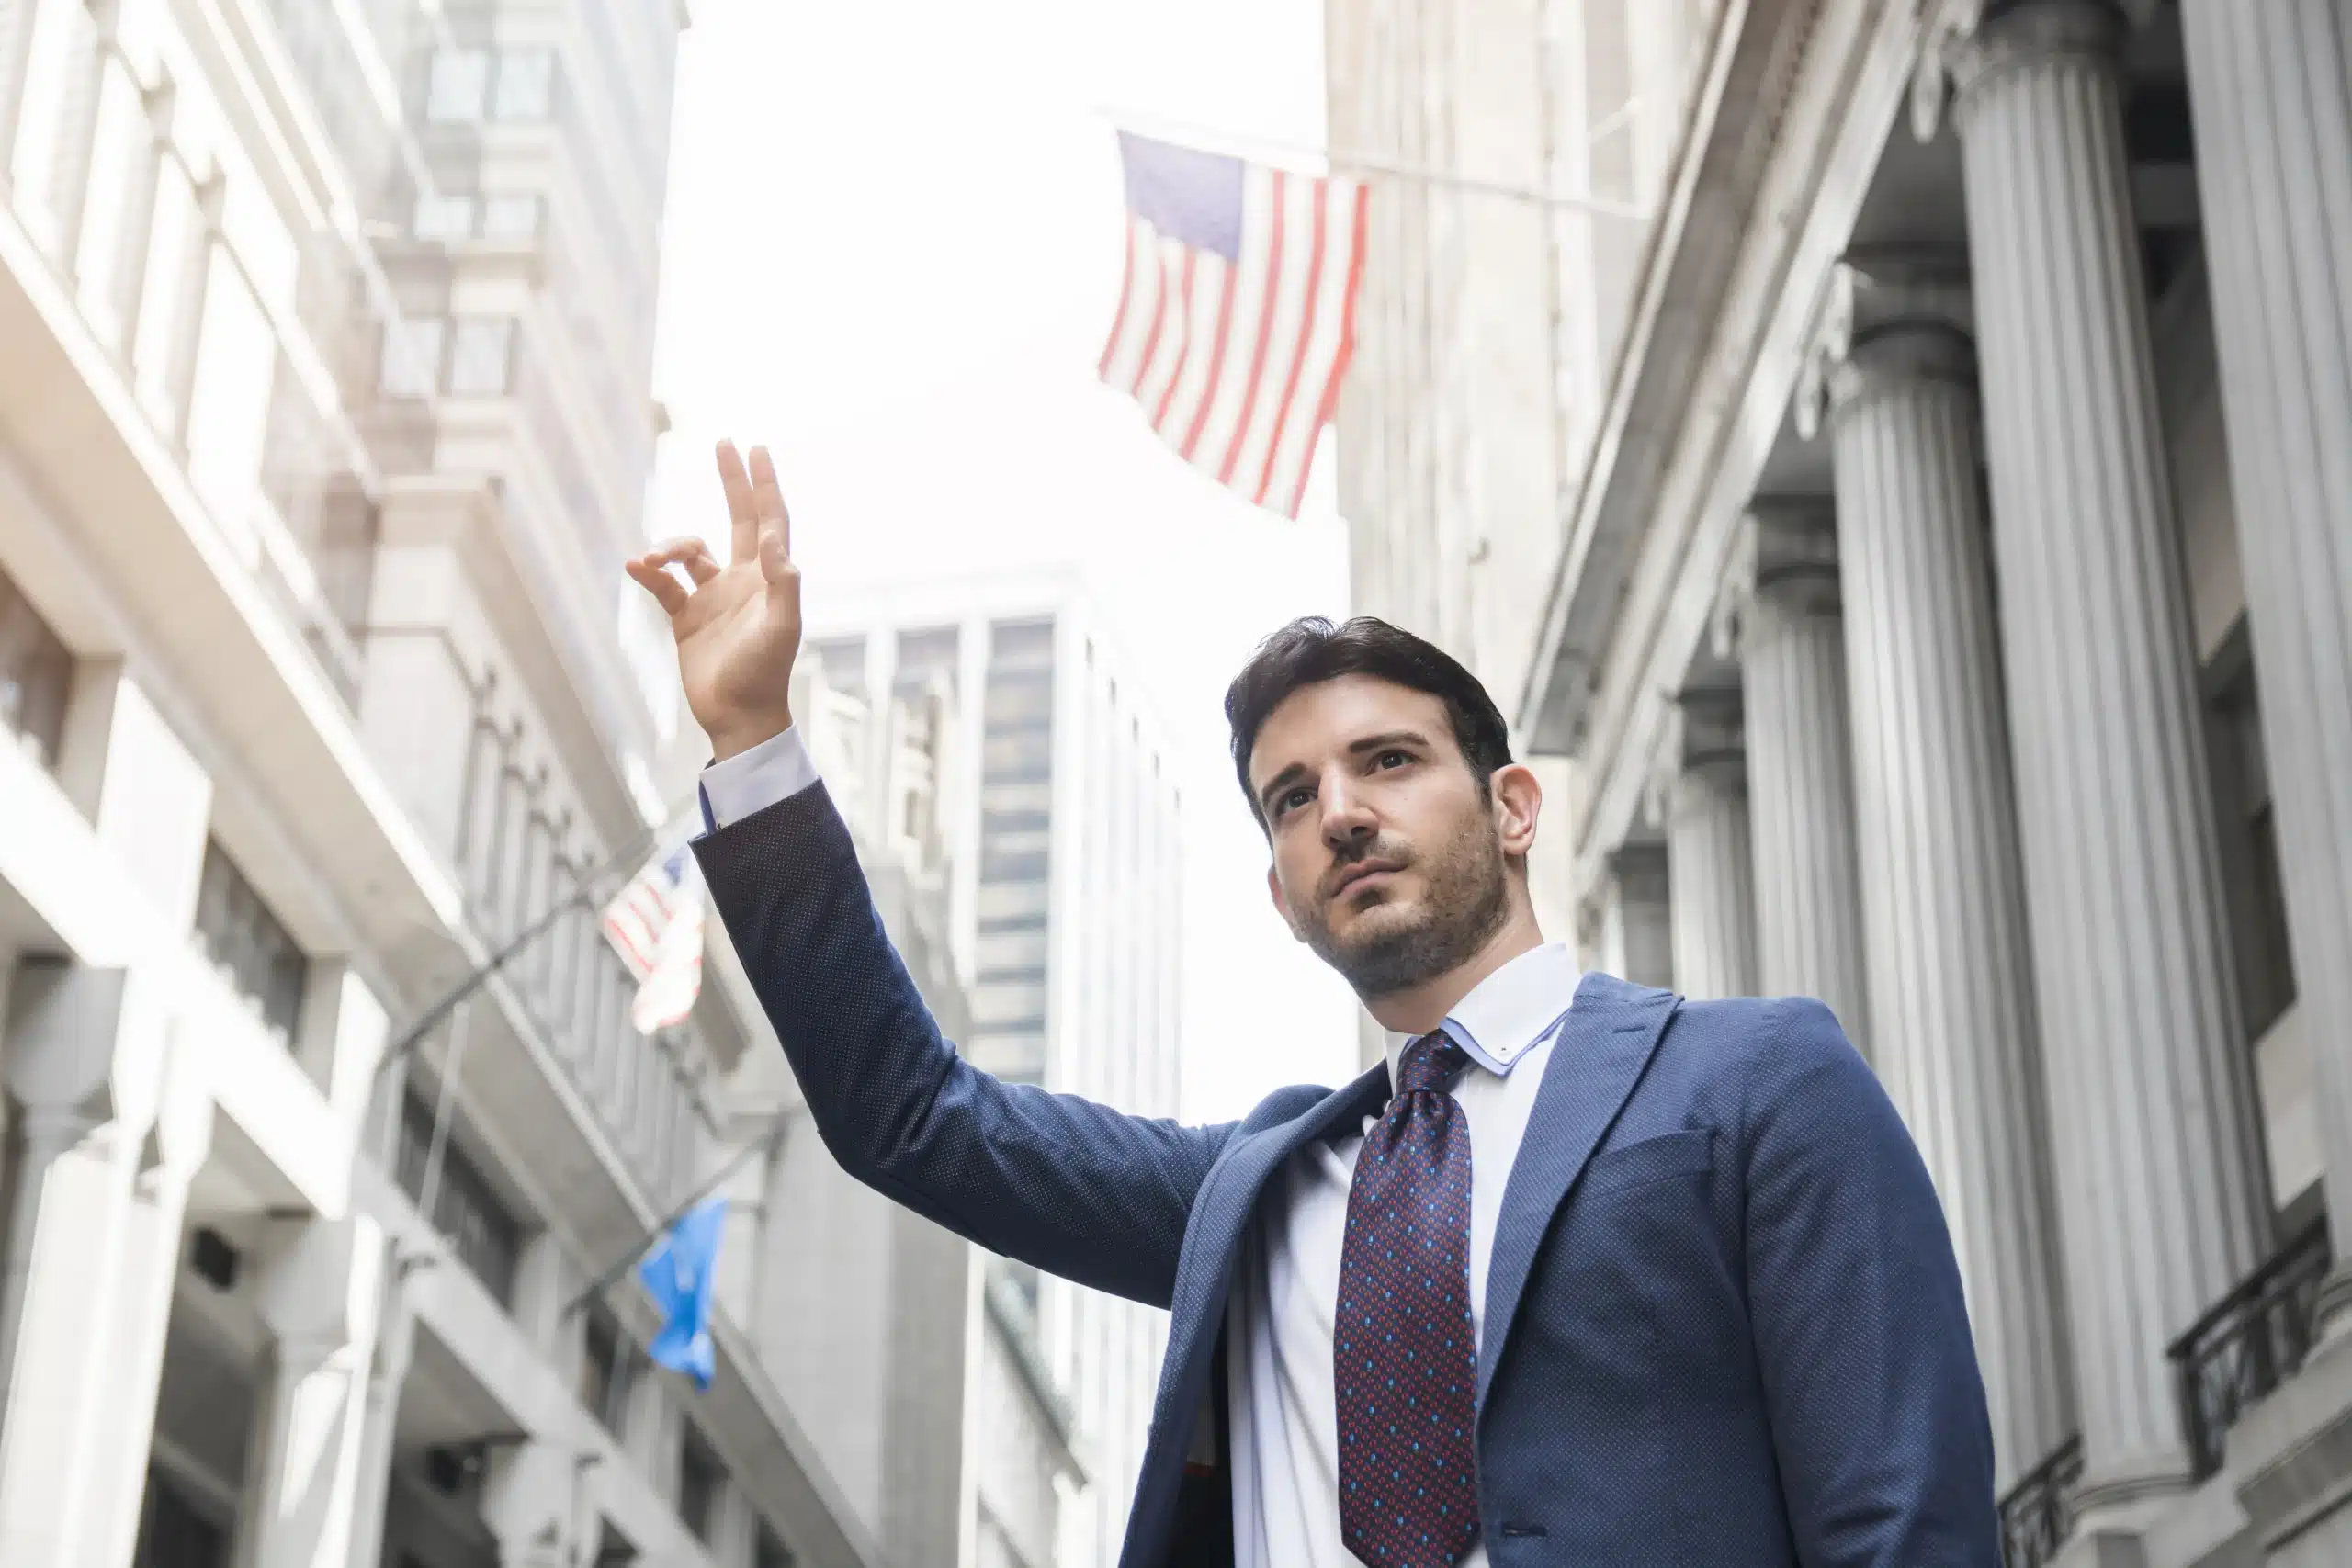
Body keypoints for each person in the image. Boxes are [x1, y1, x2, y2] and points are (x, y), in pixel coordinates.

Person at [626, 442, 2000, 1568]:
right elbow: (910, 1114)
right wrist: (754, 743)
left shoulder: (1754, 1081)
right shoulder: (1253, 1191)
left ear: (1513, 806)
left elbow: (1899, 1524)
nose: (1340, 811)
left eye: (1388, 761)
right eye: (1294, 799)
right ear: (1282, 893)